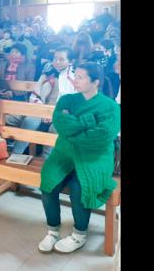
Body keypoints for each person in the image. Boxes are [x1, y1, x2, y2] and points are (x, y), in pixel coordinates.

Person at [37, 62, 120, 254]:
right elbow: (61, 125)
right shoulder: (66, 100)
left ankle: (79, 234)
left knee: (80, 187)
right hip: (64, 154)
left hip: (95, 157)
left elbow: (103, 136)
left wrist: (75, 129)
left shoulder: (111, 107)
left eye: (80, 77)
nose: (75, 81)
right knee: (48, 183)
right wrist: (89, 122)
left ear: (95, 82)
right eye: (75, 76)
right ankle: (52, 230)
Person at [8, 47, 74, 157]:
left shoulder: (73, 76)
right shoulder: (47, 72)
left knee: (57, 127)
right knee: (31, 121)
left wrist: (51, 113)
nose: (57, 62)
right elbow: (36, 93)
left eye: (62, 59)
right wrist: (42, 110)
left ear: (70, 61)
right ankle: (15, 155)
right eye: (55, 58)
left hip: (61, 113)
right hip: (42, 108)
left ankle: (45, 160)